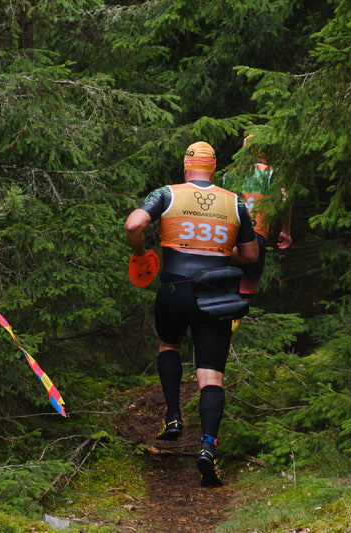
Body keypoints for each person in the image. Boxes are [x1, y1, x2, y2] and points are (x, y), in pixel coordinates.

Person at [125, 141, 259, 487]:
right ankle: (208, 449)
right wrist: (216, 253)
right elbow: (249, 255)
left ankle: (173, 417)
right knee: (211, 375)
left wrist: (141, 255)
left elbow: (133, 225)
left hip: (173, 288)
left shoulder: (166, 193)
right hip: (216, 293)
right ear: (213, 168)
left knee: (169, 345)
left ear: (187, 165)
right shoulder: (235, 202)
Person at [222, 134, 292, 334]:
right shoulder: (271, 174)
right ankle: (230, 333)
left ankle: (220, 333)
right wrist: (285, 230)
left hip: (229, 239)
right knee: (245, 296)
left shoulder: (229, 176)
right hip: (255, 237)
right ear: (264, 152)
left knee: (226, 289)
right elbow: (285, 200)